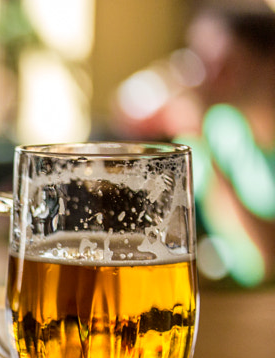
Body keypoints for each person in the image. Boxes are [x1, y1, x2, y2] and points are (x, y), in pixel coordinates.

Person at [113, 1, 275, 287]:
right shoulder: (222, 127)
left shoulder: (209, 130)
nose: (204, 74)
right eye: (199, 58)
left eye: (224, 61)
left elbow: (267, 261)